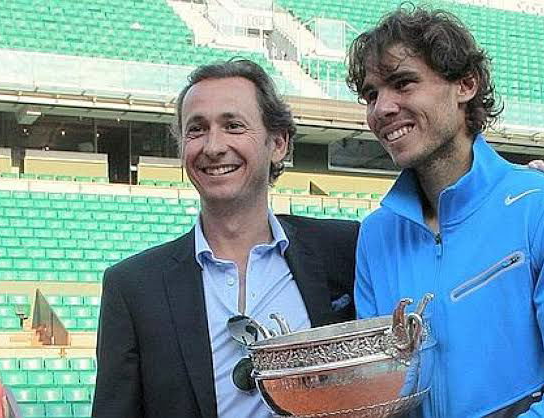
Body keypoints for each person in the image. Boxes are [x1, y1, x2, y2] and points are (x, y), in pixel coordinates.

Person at [346, 6, 544, 417]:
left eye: (403, 83)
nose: (381, 108)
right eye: (371, 95)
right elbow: (380, 390)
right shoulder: (376, 234)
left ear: (466, 84)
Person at [92, 59, 359, 418]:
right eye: (196, 129)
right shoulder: (132, 286)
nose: (213, 146)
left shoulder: (344, 250)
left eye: (233, 126)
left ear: (278, 143)